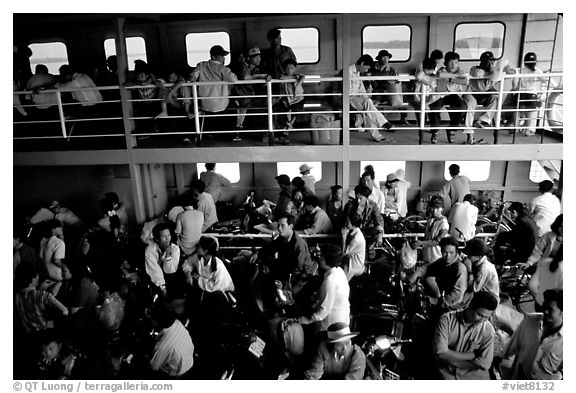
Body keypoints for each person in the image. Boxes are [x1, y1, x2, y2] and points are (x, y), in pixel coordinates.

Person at [433, 291, 498, 379]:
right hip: (447, 373)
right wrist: (470, 356)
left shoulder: (488, 330)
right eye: (479, 315)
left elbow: (484, 363)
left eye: (486, 317)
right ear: (470, 306)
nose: (482, 320)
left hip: (474, 376)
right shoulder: (446, 320)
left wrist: (452, 360)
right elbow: (441, 352)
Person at [502, 289, 563, 379]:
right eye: (544, 307)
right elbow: (514, 346)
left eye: (550, 309)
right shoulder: (530, 320)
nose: (545, 311)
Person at [462, 51, 511, 144]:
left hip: (485, 94)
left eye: (492, 61)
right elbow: (478, 74)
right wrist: (493, 72)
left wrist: (503, 69)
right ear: (482, 61)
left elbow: (507, 74)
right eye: (488, 61)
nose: (490, 63)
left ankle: (482, 120)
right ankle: (469, 135)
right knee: (470, 105)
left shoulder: (494, 71)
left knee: (494, 98)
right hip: (472, 93)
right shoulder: (474, 69)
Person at [298, 245, 350, 332]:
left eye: (322, 257)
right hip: (343, 320)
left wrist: (306, 320)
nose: (320, 258)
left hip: (332, 325)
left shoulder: (331, 280)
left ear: (327, 260)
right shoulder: (339, 271)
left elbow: (324, 310)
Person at [254, 213, 314, 287]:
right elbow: (270, 247)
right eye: (278, 225)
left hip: (300, 277)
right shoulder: (282, 238)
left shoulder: (299, 244)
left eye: (282, 225)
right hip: (286, 272)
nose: (279, 228)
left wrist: (282, 281)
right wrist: (257, 253)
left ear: (290, 226)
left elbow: (298, 268)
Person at [504, 52, 555, 136]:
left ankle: (515, 128)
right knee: (530, 112)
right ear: (535, 62)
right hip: (531, 95)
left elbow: (512, 77)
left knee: (517, 112)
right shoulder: (538, 71)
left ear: (525, 61)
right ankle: (528, 130)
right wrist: (546, 73)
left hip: (520, 94)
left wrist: (507, 66)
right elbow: (544, 80)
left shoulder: (520, 70)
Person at [409, 236, 468, 310]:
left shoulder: (460, 268)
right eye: (445, 252)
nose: (448, 256)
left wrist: (438, 302)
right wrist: (416, 274)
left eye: (451, 252)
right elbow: (428, 267)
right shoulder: (443, 261)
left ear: (456, 252)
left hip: (451, 307)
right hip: (439, 298)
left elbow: (458, 293)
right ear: (441, 251)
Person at [347, 54, 394, 142]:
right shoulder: (348, 71)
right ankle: (383, 123)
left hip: (356, 99)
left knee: (369, 108)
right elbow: (347, 92)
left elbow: (361, 89)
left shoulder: (357, 73)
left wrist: (368, 99)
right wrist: (365, 100)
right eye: (367, 68)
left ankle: (379, 136)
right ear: (362, 63)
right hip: (347, 99)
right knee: (367, 104)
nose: (367, 70)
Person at [14, 263, 69, 333]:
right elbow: (65, 311)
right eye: (37, 275)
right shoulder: (42, 295)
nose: (38, 277)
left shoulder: (16, 297)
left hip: (25, 335)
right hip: (43, 334)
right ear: (32, 279)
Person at [429, 51, 469, 144]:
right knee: (434, 108)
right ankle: (435, 131)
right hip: (440, 94)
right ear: (445, 63)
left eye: (455, 62)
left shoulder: (460, 71)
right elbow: (441, 75)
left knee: (462, 107)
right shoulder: (441, 70)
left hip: (453, 95)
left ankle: (452, 130)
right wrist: (457, 78)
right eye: (451, 62)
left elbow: (465, 82)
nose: (453, 65)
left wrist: (452, 79)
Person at [149, 305, 195, 378]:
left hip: (179, 374)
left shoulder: (162, 348)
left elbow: (154, 366)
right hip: (189, 362)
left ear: (156, 322)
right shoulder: (178, 323)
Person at [233, 47, 270, 133]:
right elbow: (244, 77)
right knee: (241, 111)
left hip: (250, 97)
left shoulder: (257, 69)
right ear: (249, 58)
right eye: (255, 57)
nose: (258, 59)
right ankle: (237, 131)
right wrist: (261, 76)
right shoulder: (242, 66)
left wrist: (264, 81)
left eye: (259, 57)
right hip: (240, 97)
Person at [192, 45, 238, 113]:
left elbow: (192, 77)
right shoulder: (223, 69)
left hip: (205, 105)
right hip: (221, 105)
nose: (224, 58)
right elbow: (234, 80)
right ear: (213, 57)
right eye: (221, 56)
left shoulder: (201, 65)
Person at [344, 184, 384, 258]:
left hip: (368, 231)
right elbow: (347, 223)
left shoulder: (373, 205)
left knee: (376, 231)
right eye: (357, 198)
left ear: (366, 198)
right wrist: (356, 213)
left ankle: (370, 247)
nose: (358, 201)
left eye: (361, 198)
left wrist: (380, 235)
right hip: (353, 231)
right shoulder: (349, 205)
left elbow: (378, 220)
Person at [371, 49, 410, 125]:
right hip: (378, 90)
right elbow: (373, 80)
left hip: (389, 90)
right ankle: (383, 122)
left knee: (401, 97)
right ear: (379, 59)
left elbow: (395, 81)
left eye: (387, 58)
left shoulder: (391, 70)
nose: (386, 60)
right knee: (377, 98)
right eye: (383, 58)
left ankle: (403, 118)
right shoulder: (374, 68)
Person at [460, 238, 499, 306]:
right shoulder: (478, 262)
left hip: (488, 300)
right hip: (481, 293)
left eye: (470, 255)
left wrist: (469, 270)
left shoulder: (483, 269)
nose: (468, 257)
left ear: (479, 256)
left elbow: (473, 289)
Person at [144, 223, 180, 296]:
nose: (168, 238)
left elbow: (170, 270)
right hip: (156, 279)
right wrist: (162, 287)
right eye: (164, 236)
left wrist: (168, 255)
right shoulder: (150, 250)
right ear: (157, 239)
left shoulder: (175, 249)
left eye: (169, 235)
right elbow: (154, 269)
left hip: (170, 275)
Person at [412, 197, 449, 264]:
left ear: (442, 208)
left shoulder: (444, 224)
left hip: (437, 258)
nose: (434, 210)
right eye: (433, 207)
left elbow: (437, 241)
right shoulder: (430, 220)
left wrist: (421, 243)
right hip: (427, 256)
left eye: (437, 208)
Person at [276, 58, 305, 141]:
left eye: (291, 68)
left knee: (297, 111)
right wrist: (291, 78)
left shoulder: (297, 76)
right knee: (281, 111)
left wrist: (297, 84)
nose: (289, 70)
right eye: (287, 68)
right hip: (287, 99)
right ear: (284, 69)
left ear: (295, 68)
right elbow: (281, 78)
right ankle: (286, 128)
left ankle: (288, 126)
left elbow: (303, 77)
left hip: (298, 99)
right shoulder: (283, 76)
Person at [39, 219, 67, 295]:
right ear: (53, 229)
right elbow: (56, 260)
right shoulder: (59, 243)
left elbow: (40, 258)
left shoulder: (43, 240)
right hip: (55, 279)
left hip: (43, 277)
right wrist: (65, 268)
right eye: (59, 227)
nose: (62, 228)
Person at [342, 213, 366, 281]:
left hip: (354, 266)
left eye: (348, 223)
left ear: (353, 225)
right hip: (350, 260)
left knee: (341, 283)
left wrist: (344, 237)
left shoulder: (356, 239)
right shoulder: (354, 231)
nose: (346, 224)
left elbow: (344, 253)